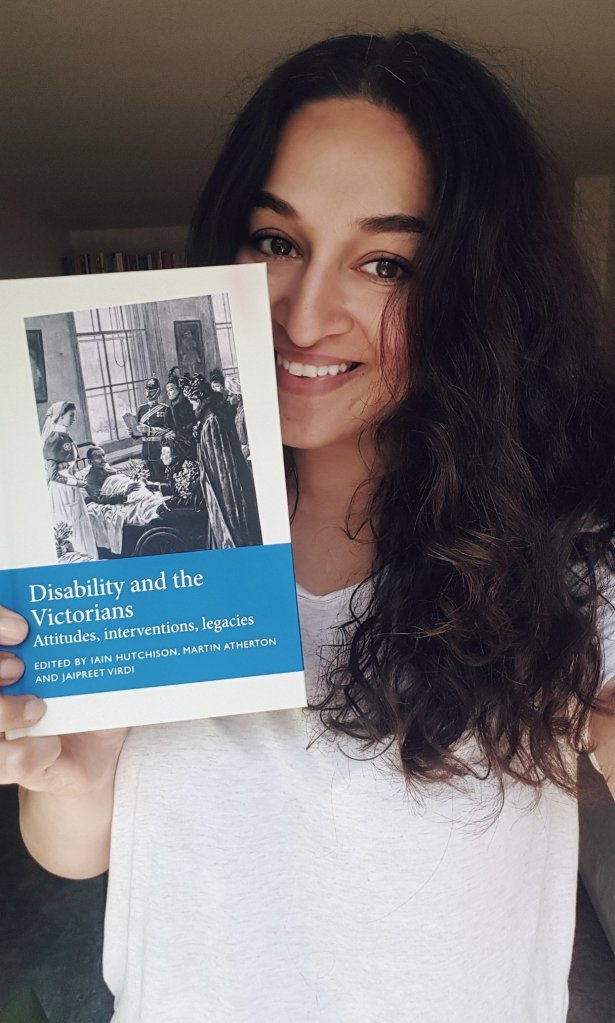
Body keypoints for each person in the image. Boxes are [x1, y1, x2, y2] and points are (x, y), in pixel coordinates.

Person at [2, 30, 615, 1023]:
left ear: (475, 291)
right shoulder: (155, 541)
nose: (302, 314)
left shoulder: (567, 545)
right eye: (277, 242)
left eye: (386, 263)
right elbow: (73, 849)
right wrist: (58, 765)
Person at [183, 374, 262, 547]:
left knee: (229, 519)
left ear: (198, 399)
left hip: (222, 483)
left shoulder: (212, 422)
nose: (192, 406)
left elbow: (221, 463)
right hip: (216, 480)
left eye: (192, 402)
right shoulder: (208, 419)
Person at [41, 400, 98, 560]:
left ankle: (89, 559)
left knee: (79, 524)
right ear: (60, 416)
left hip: (71, 489)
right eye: (71, 415)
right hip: (62, 491)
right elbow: (53, 475)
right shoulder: (54, 439)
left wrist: (76, 477)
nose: (74, 419)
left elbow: (68, 466)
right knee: (71, 526)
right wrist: (76, 482)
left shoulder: (65, 436)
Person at [132, 376, 170, 481]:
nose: (148, 394)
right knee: (150, 480)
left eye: (151, 391)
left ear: (158, 392)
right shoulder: (141, 409)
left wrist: (150, 430)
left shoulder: (165, 409)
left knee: (161, 478)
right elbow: (138, 432)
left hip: (159, 450)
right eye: (146, 391)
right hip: (145, 451)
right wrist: (133, 432)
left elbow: (168, 430)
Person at [164, 367, 197, 461]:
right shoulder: (170, 407)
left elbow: (192, 423)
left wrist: (176, 433)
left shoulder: (186, 404)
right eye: (167, 391)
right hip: (176, 439)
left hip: (188, 439)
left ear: (178, 389)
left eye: (170, 390)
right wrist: (169, 432)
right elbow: (167, 425)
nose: (168, 393)